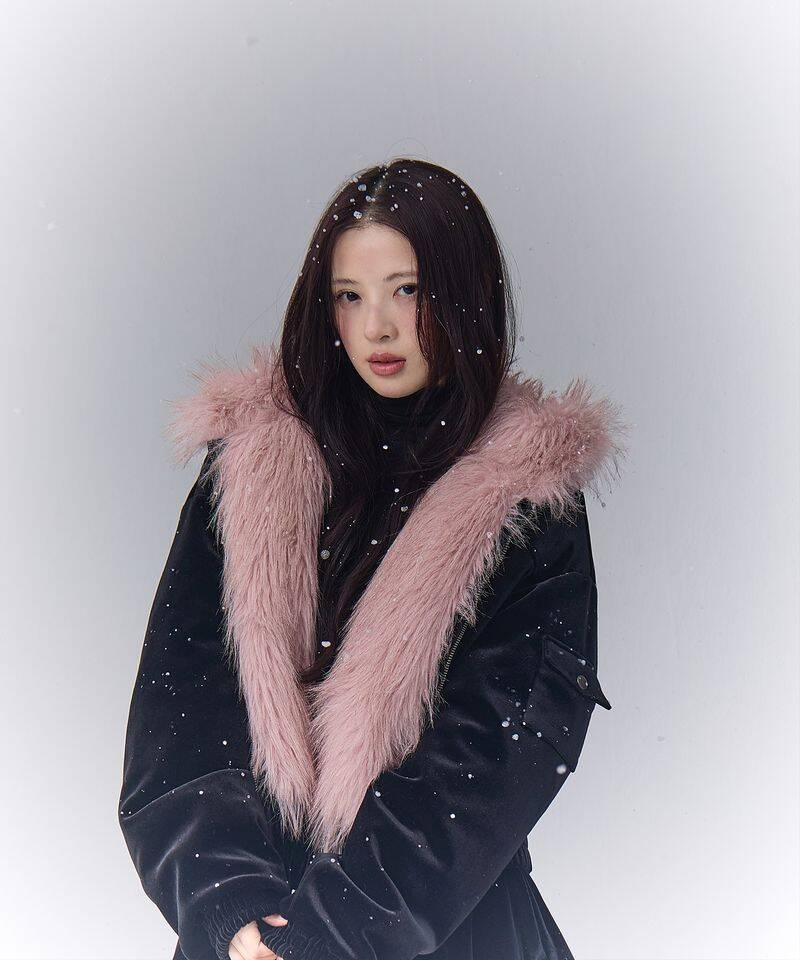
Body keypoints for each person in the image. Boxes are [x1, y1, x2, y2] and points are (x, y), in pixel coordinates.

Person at [118, 158, 627, 960]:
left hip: (443, 931)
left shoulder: (527, 496)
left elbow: (493, 754)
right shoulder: (251, 466)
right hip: (254, 937)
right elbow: (181, 707)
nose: (377, 328)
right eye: (349, 296)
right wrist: (230, 904)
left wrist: (334, 932)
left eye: (407, 290)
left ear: (464, 293)